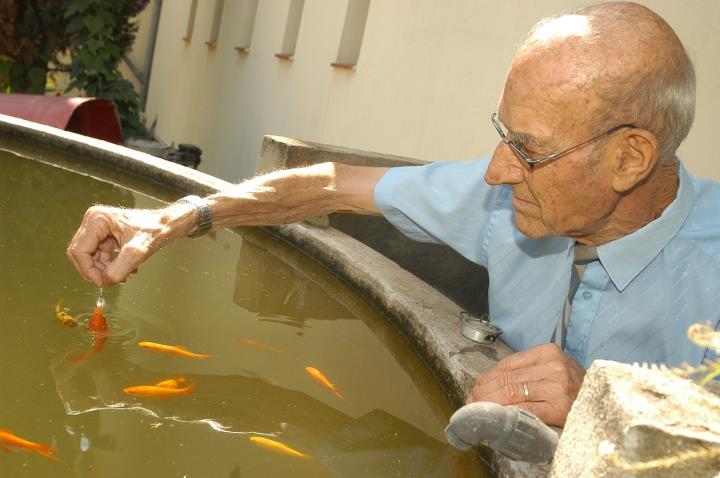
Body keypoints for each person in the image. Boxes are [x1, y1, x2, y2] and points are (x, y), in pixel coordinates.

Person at [66, 2, 719, 427]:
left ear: (631, 158)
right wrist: (179, 217)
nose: (495, 170)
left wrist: (604, 416)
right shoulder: (505, 203)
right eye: (503, 133)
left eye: (530, 149)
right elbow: (329, 185)